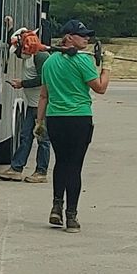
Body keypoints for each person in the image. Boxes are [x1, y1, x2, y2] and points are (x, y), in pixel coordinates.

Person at [37, 18, 109, 233]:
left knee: (61, 163)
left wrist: (38, 122)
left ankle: (56, 206)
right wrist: (108, 67)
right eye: (82, 35)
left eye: (88, 35)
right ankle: (72, 216)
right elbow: (100, 88)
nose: (87, 38)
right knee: (74, 166)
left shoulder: (49, 62)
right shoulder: (83, 62)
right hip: (79, 119)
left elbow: (43, 96)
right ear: (68, 37)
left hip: (56, 119)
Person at [0, 28, 51, 183]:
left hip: (43, 106)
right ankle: (16, 168)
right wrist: (11, 28)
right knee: (25, 137)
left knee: (42, 139)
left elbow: (43, 79)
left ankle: (41, 172)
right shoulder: (28, 57)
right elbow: (14, 41)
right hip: (32, 104)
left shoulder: (40, 57)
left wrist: (23, 83)